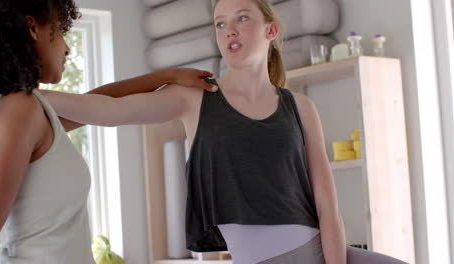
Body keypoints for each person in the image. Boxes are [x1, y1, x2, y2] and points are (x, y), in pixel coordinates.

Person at [40, 0, 409, 263]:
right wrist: (24, 92)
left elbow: (328, 208)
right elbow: (110, 110)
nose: (229, 29)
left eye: (242, 17)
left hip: (327, 253)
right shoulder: (194, 97)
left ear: (271, 30)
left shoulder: (300, 107)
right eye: (220, 22)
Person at [0, 0, 215, 262]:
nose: (68, 48)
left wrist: (168, 76)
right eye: (61, 31)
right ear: (32, 28)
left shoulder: (25, 108)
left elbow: (101, 103)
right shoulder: (19, 109)